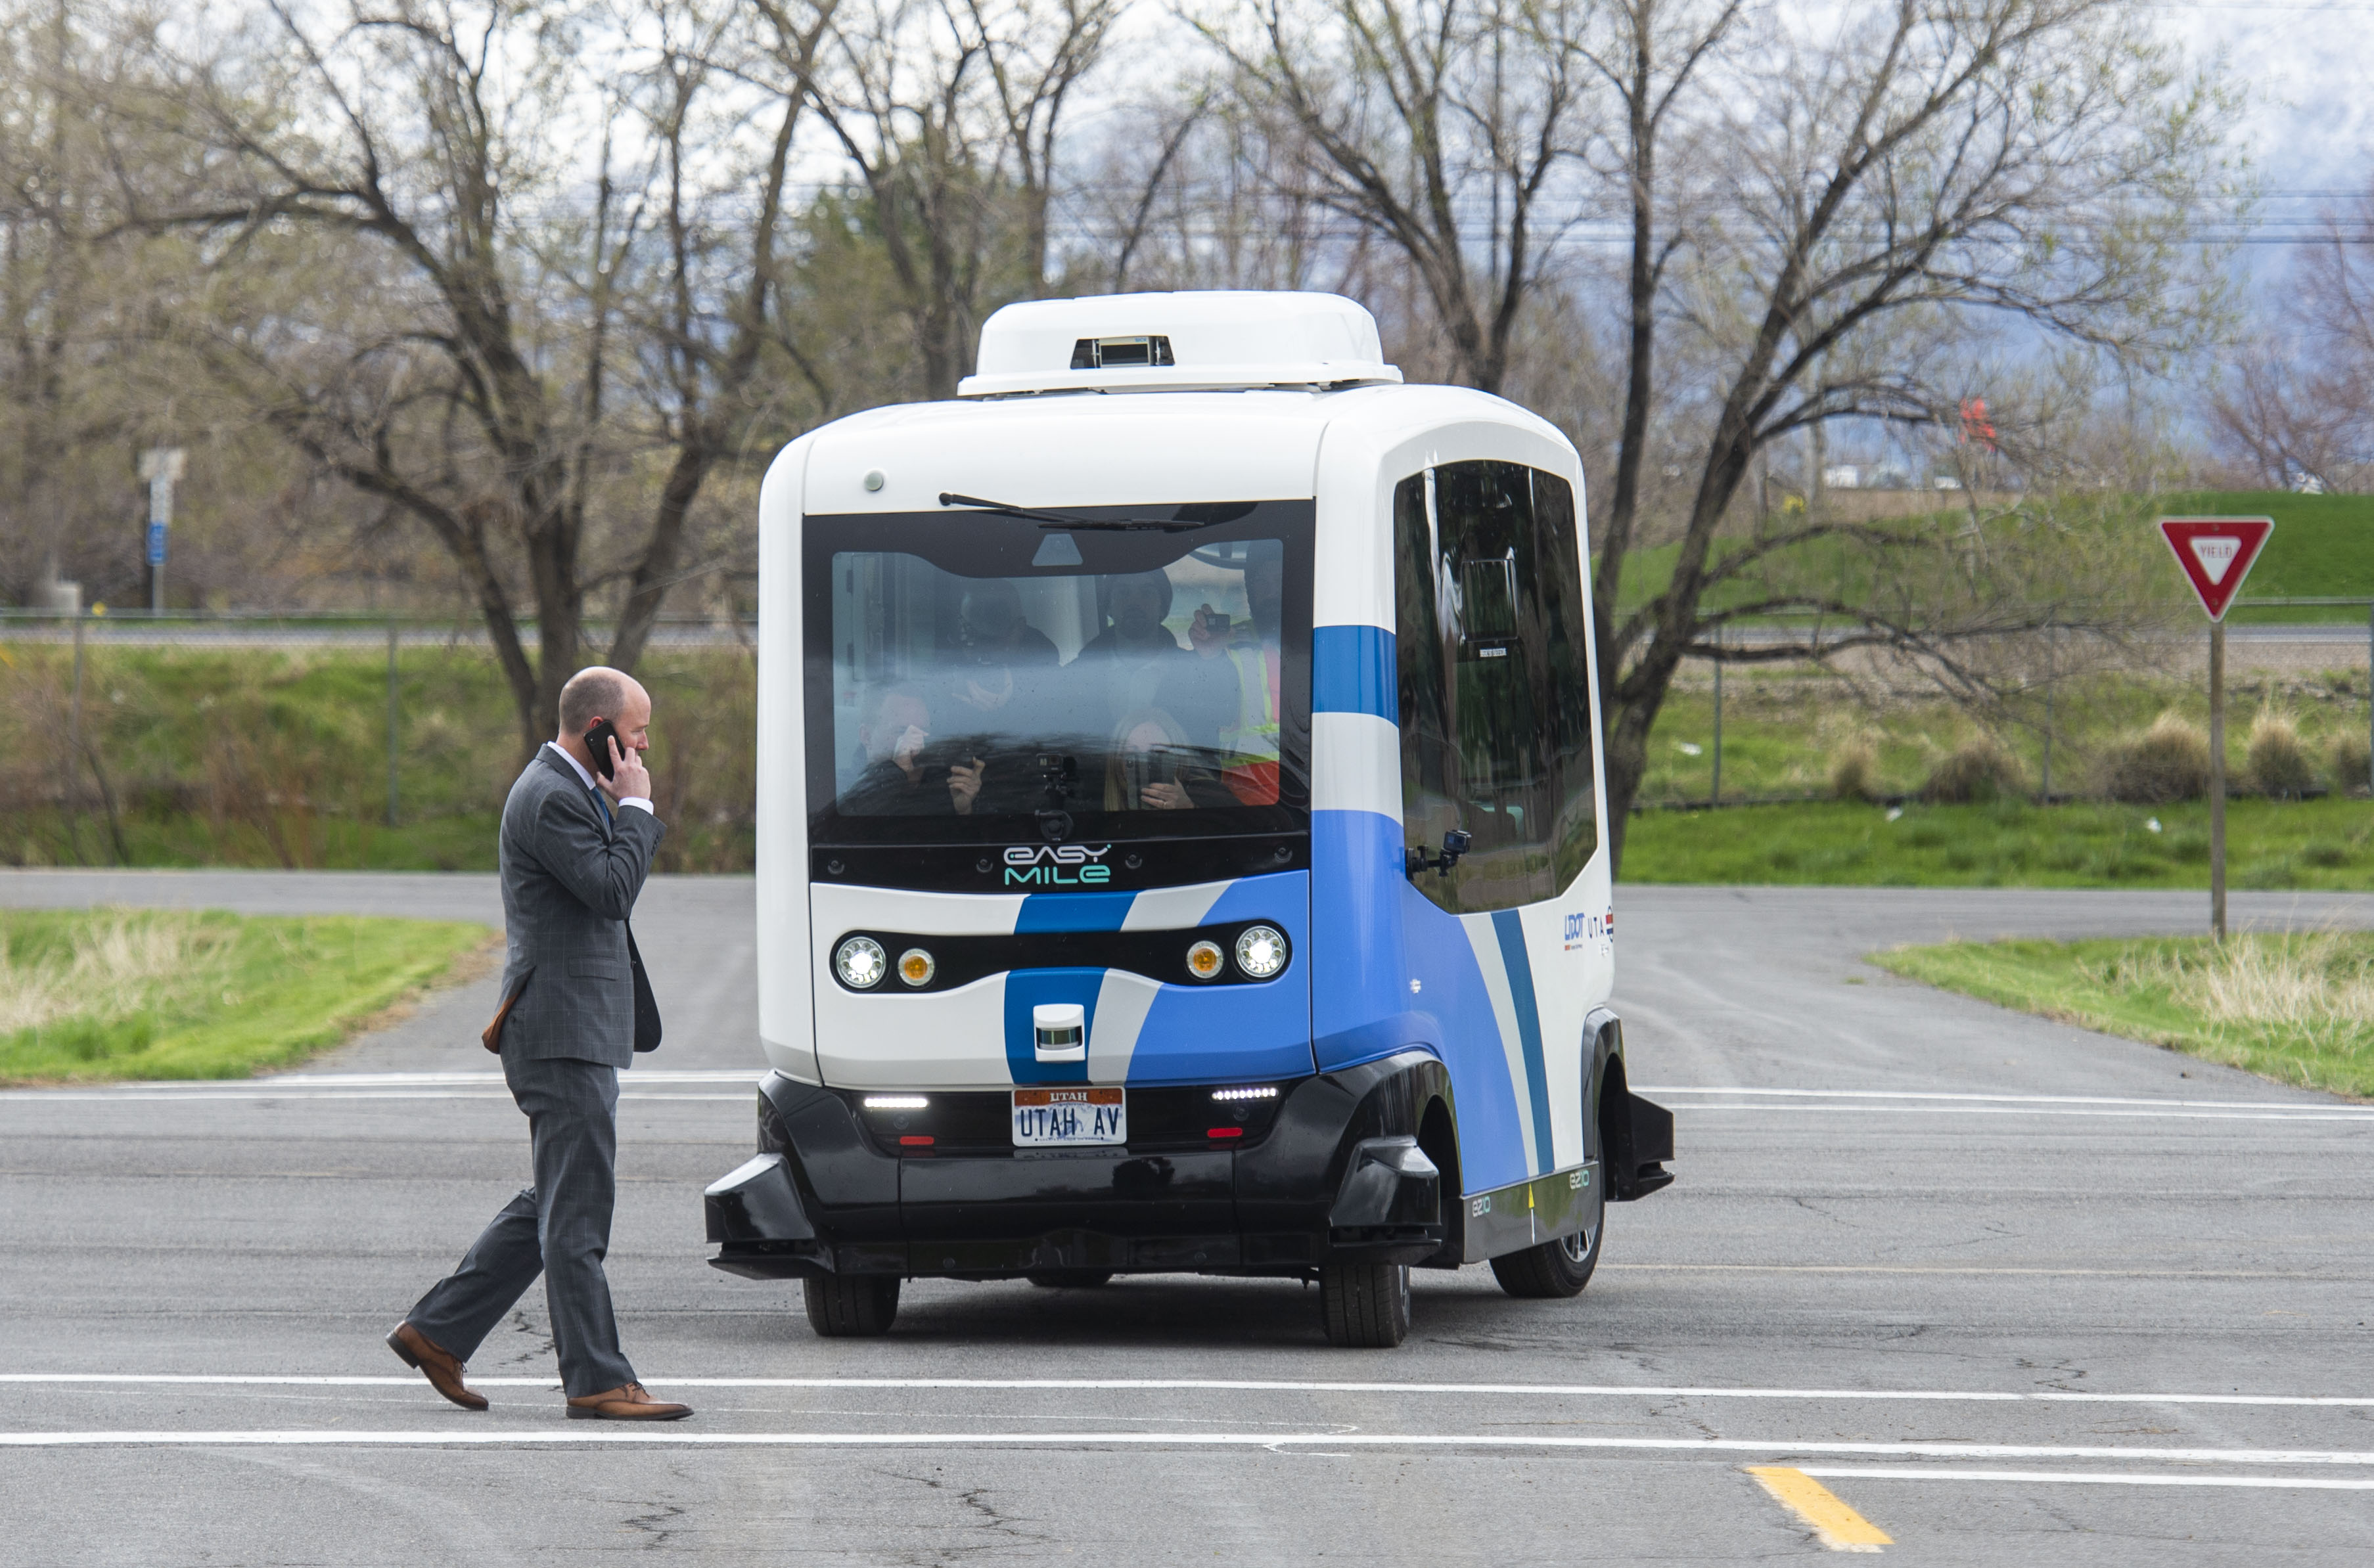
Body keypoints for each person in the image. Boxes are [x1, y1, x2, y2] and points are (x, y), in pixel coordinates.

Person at [385, 666, 693, 1422]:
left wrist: (622, 805)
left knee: (557, 1198)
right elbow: (612, 889)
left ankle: (437, 1330)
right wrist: (640, 806)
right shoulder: (553, 795)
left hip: (573, 1025)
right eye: (636, 727)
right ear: (596, 728)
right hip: (560, 1028)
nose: (645, 741)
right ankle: (595, 1376)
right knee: (576, 1211)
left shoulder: (571, 789)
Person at [840, 686, 984, 815]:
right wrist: (895, 773)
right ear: (866, 736)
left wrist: (963, 811)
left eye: (923, 732)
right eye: (902, 731)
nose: (916, 743)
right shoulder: (842, 787)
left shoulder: (944, 788)